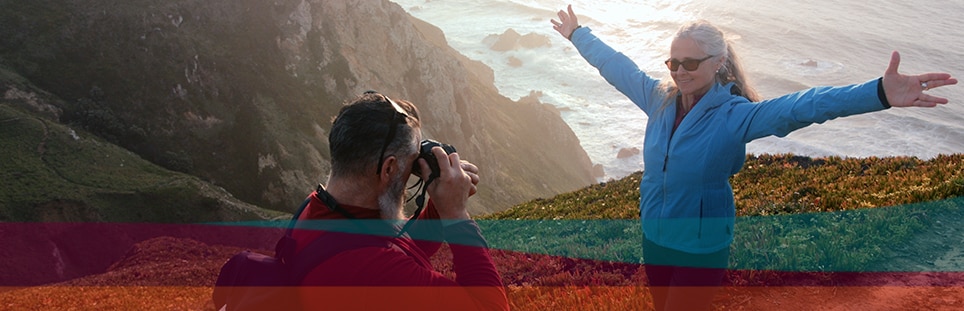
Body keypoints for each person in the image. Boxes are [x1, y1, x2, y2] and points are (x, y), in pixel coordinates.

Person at [551, 4, 957, 311]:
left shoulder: (735, 116)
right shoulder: (658, 99)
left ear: (718, 63)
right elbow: (615, 66)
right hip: (655, 236)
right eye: (673, 62)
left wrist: (879, 94)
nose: (679, 71)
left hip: (700, 245)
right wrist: (577, 34)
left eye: (690, 63)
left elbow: (804, 105)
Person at [290, 92, 509, 310]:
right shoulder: (374, 271)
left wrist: (440, 203)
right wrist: (456, 215)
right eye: (413, 161)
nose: (413, 171)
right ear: (388, 168)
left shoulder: (321, 206)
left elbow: (403, 244)